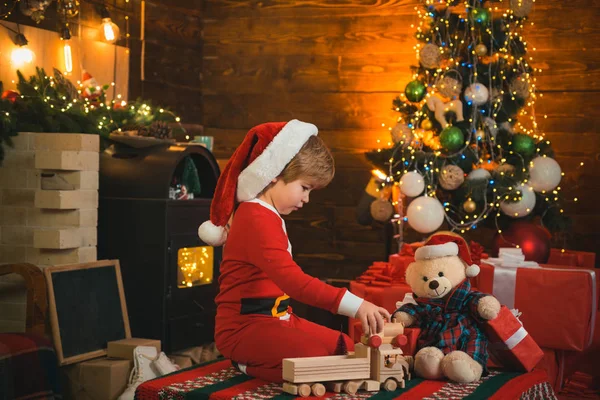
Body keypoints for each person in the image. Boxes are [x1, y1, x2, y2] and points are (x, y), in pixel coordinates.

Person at [198, 120, 390, 382]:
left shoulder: (269, 215)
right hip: (243, 328)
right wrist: (356, 305)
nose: (306, 199)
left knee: (342, 345)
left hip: (279, 319)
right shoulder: (254, 217)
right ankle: (246, 363)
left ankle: (290, 365)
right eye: (304, 188)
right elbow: (294, 282)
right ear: (274, 174)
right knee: (312, 356)